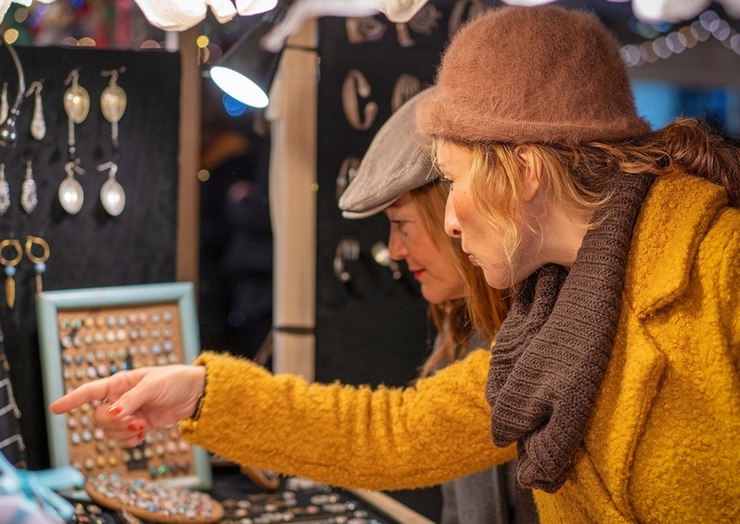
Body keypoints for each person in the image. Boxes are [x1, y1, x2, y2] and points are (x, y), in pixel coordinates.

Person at [51, 6, 740, 522]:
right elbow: (395, 433)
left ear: (524, 169)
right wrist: (202, 394)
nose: (446, 217)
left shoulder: (722, 271)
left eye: (453, 178)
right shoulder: (552, 319)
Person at [338, 88, 535, 524]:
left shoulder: (544, 343)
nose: (394, 250)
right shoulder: (461, 335)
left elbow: (392, 439)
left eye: (401, 225)